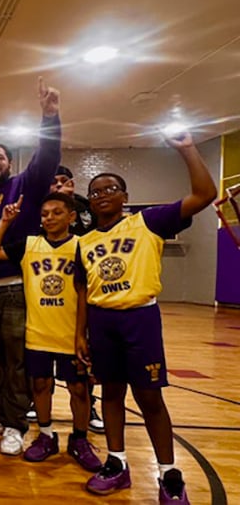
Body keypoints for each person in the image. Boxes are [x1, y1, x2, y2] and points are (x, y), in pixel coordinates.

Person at [77, 130, 215, 503]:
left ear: (125, 197)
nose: (102, 195)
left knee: (150, 398)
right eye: (95, 192)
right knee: (110, 393)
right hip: (102, 320)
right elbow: (81, 291)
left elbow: (205, 195)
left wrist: (187, 149)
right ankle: (118, 464)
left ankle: (169, 473)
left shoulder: (149, 222)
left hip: (140, 318)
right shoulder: (85, 242)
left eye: (110, 189)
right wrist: (80, 335)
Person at [0, 77, 62, 455]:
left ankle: (17, 424)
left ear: (8, 163)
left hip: (16, 289)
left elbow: (47, 159)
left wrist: (49, 116)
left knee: (16, 359)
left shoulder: (25, 186)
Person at [0, 193, 101, 472]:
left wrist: (84, 333)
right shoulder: (29, 244)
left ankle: (80, 439)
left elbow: (86, 292)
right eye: (45, 213)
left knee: (78, 389)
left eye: (56, 213)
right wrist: (5, 222)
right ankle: (46, 434)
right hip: (37, 331)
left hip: (71, 333)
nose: (49, 218)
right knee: (39, 385)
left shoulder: (82, 246)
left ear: (72, 217)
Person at [49, 165, 104, 434]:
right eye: (54, 182)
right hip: (47, 288)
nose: (59, 186)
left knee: (83, 356)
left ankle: (89, 406)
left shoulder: (86, 207)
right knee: (39, 357)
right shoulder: (40, 209)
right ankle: (36, 405)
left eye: (64, 181)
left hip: (83, 287)